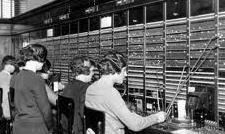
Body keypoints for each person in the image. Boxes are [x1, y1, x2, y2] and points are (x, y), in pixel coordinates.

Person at [85, 51, 167, 134]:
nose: (126, 74)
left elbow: (108, 113)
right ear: (115, 70)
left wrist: (131, 114)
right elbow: (135, 125)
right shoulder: (111, 93)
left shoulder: (91, 88)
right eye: (124, 70)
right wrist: (157, 117)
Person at [10, 44, 53, 134]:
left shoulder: (15, 76)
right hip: (36, 127)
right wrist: (50, 128)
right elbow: (45, 110)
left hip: (18, 126)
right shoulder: (37, 79)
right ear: (40, 59)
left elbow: (13, 103)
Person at [62, 55, 96, 134]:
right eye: (92, 70)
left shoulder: (68, 86)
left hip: (67, 129)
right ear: (86, 70)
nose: (93, 73)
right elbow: (84, 115)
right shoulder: (86, 88)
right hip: (79, 130)